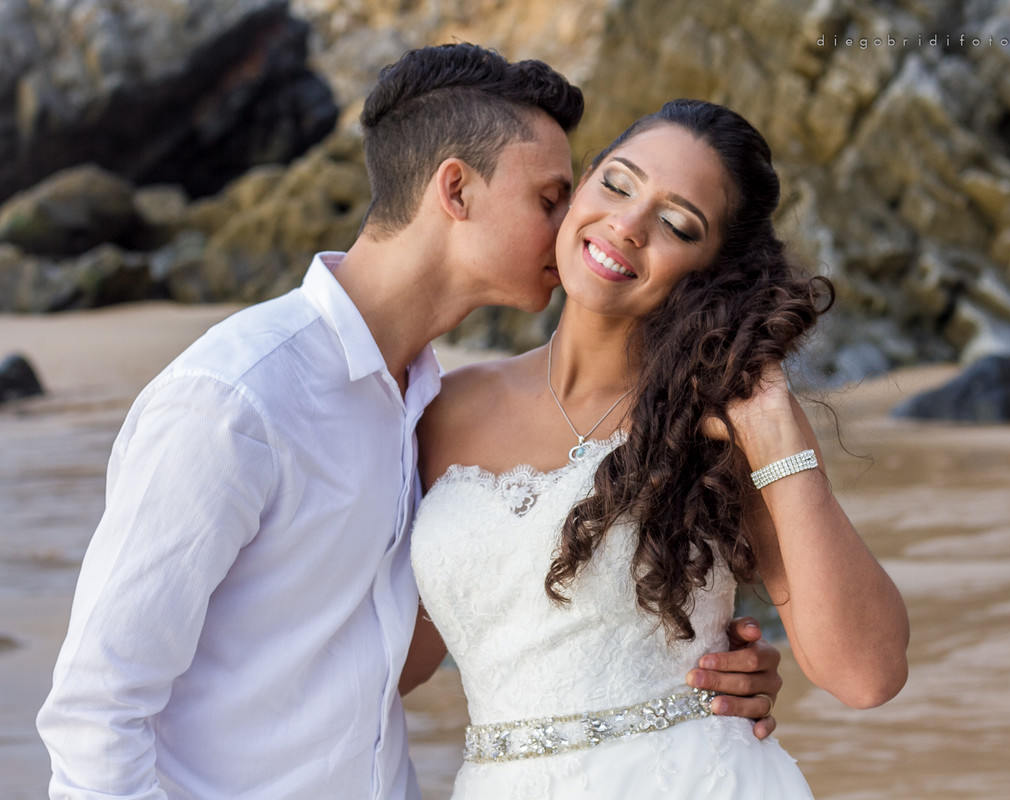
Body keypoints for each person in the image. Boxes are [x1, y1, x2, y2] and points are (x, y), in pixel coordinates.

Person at [36, 45, 785, 799]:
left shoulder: (427, 406)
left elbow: (438, 635)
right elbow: (96, 710)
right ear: (455, 189)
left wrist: (686, 682)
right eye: (552, 197)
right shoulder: (238, 400)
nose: (582, 227)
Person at [409, 99, 911, 797]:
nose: (627, 224)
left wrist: (778, 438)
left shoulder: (725, 417)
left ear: (711, 270)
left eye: (677, 224)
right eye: (617, 183)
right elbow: (394, 662)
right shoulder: (444, 409)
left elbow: (866, 674)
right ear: (582, 184)